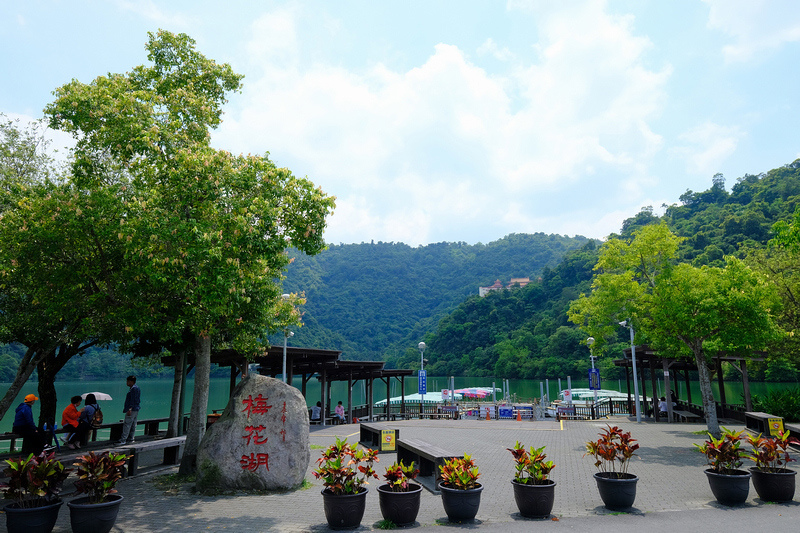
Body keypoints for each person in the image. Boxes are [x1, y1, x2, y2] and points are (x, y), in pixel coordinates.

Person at [117, 375, 140, 445]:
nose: (127, 383)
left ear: (131, 382)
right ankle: (131, 439)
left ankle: (123, 440)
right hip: (136, 409)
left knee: (127, 424)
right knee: (133, 424)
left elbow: (133, 400)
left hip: (132, 409)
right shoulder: (136, 388)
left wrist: (130, 409)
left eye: (128, 381)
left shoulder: (134, 389)